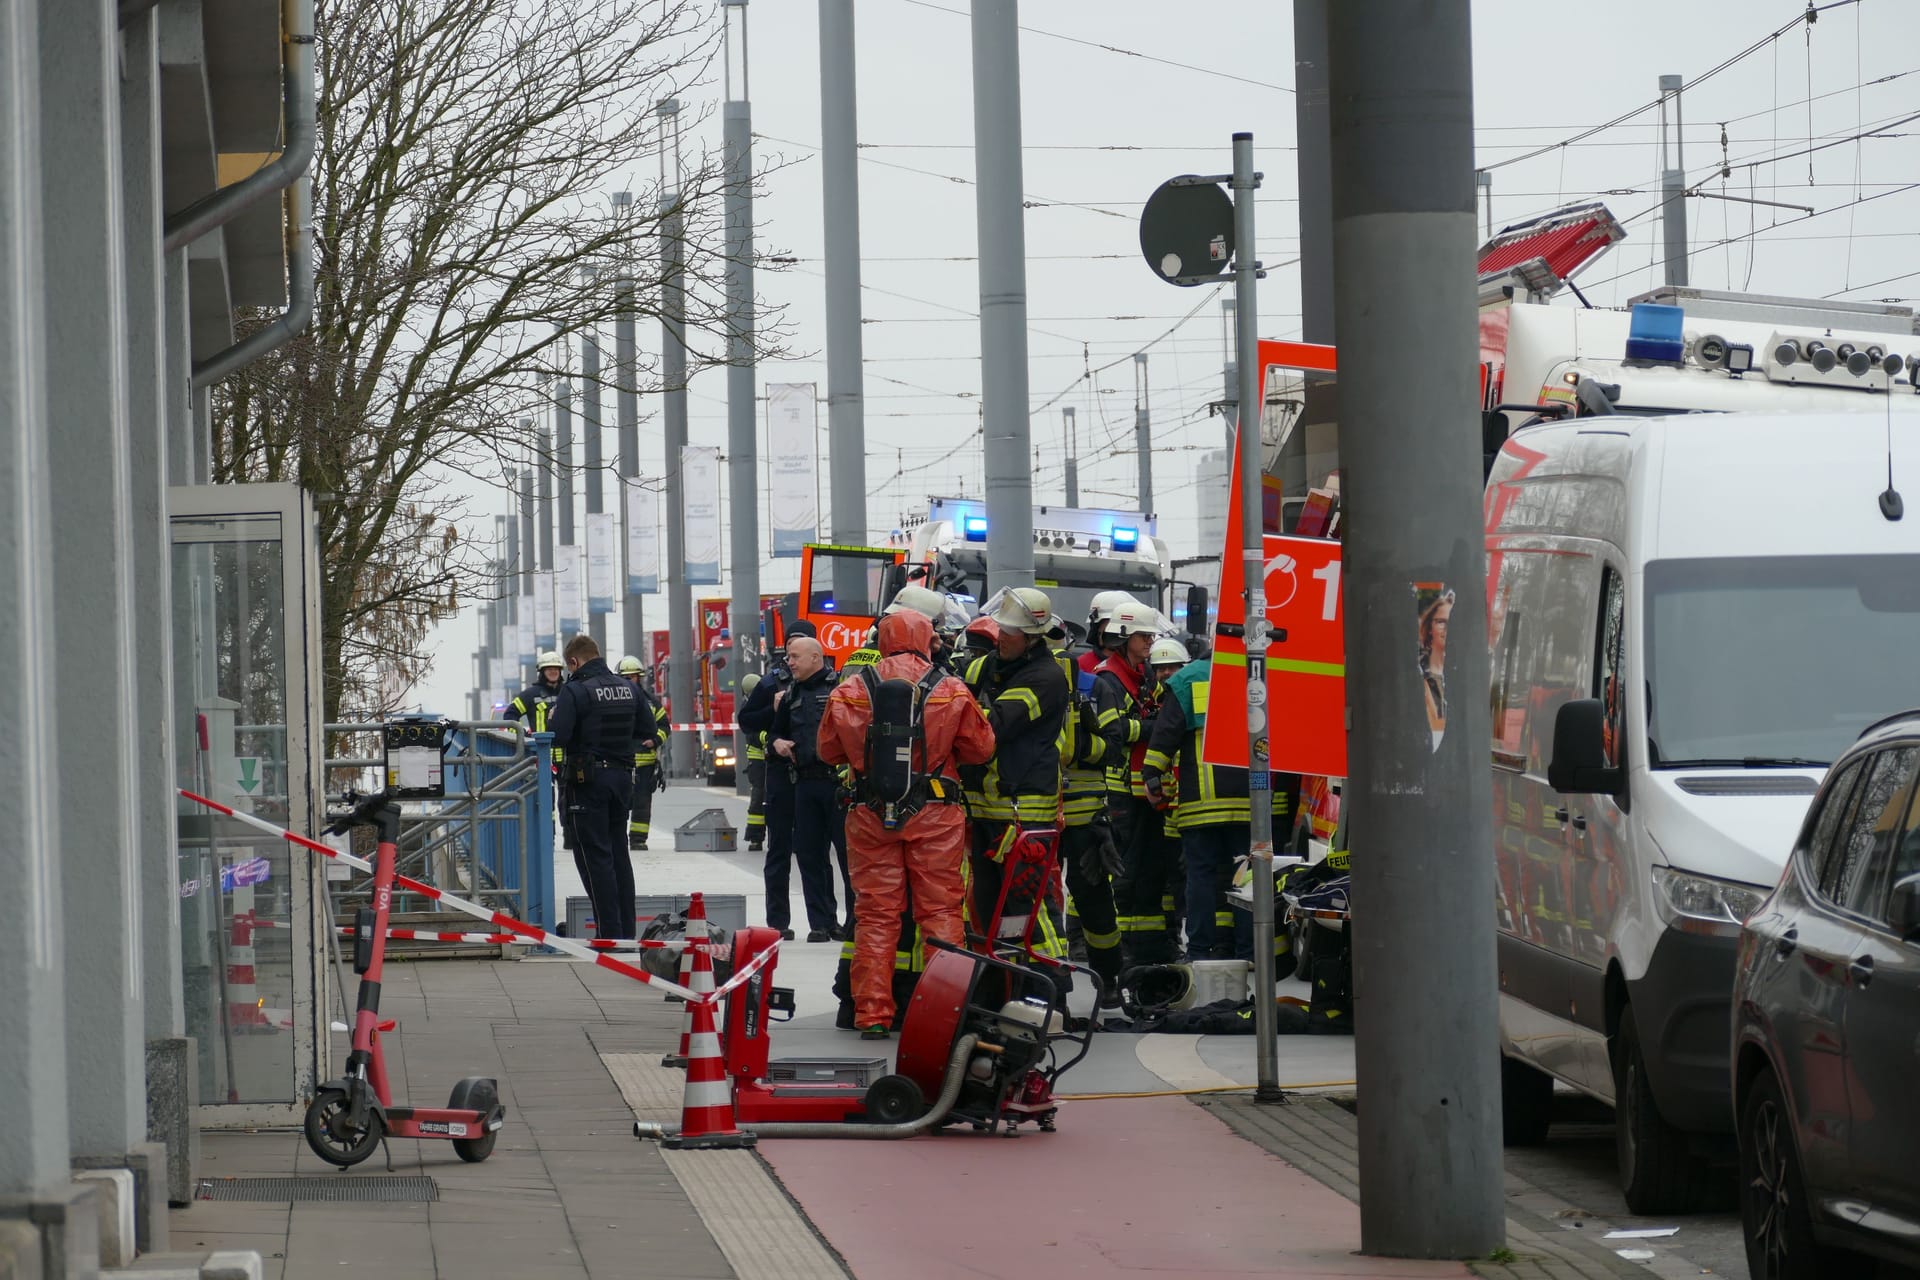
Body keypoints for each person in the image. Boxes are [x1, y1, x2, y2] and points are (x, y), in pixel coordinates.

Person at [819, 610, 995, 1038]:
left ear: (882, 640)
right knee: (940, 911)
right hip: (936, 815)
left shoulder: (850, 689)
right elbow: (981, 749)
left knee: (875, 915)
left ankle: (873, 1016)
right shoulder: (950, 688)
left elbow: (827, 751)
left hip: (869, 815)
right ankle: (945, 1012)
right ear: (927, 640)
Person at [1140, 640, 1291, 965]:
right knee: (1246, 876)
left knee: (1201, 878)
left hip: (1202, 803)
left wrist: (1151, 774)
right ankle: (1248, 953)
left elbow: (1164, 736)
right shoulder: (1261, 675)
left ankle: (1199, 953)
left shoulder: (1187, 679)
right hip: (1252, 800)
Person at [963, 587, 1069, 958]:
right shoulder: (983, 666)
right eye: (1000, 630)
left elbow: (992, 727)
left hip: (1023, 816)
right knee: (990, 912)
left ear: (1032, 638)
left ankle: (1052, 984)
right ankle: (1005, 990)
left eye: (1010, 633)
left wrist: (962, 709)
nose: (1001, 638)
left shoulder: (1047, 678)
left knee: (1028, 908)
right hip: (984, 812)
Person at [1094, 602, 1181, 968]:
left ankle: (1151, 947)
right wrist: (1156, 727)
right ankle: (1124, 949)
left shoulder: (1141, 675)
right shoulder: (1107, 679)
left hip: (1145, 792)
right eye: (1145, 636)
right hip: (1121, 793)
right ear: (1125, 638)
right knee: (1126, 871)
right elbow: (1114, 730)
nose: (1150, 643)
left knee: (1152, 870)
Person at [548, 634, 639, 939]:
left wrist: (553, 719)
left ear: (574, 662)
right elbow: (647, 730)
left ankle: (608, 934)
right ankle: (626, 932)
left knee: (594, 858)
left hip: (588, 784)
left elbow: (559, 736)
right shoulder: (628, 688)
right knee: (619, 855)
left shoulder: (575, 691)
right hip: (622, 779)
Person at [765, 635, 843, 942]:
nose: (789, 662)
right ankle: (821, 924)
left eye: (795, 657)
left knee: (848, 859)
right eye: (788, 657)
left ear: (815, 658)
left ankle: (852, 924)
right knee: (810, 856)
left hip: (837, 783)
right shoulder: (790, 695)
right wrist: (778, 743)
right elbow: (774, 734)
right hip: (805, 784)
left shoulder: (840, 689)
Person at [618, 655, 667, 850]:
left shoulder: (651, 702)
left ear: (640, 678)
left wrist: (655, 740)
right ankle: (619, 838)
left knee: (642, 804)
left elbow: (665, 726)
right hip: (621, 762)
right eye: (627, 677)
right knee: (619, 803)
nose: (631, 680)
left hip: (645, 763)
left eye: (634, 677)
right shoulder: (615, 700)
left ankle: (638, 839)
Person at [739, 673, 768, 851]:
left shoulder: (769, 698)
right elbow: (749, 733)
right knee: (758, 796)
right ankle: (755, 837)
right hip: (758, 757)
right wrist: (767, 738)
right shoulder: (747, 706)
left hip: (775, 756)